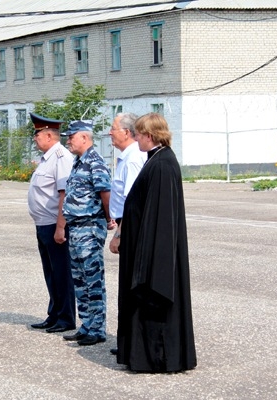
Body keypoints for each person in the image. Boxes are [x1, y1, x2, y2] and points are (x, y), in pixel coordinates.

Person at [116, 112, 197, 372]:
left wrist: (147, 261)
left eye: (138, 134)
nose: (136, 138)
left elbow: (159, 218)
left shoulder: (162, 165)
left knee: (152, 304)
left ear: (149, 136)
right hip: (142, 245)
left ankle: (156, 357)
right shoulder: (158, 159)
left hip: (151, 253)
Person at [60, 120, 114, 346]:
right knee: (80, 280)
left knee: (93, 280)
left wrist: (110, 218)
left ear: (84, 137)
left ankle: (98, 328)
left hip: (90, 228)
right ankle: (87, 324)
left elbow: (105, 193)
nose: (68, 141)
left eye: (71, 137)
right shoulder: (77, 162)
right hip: (76, 228)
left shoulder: (95, 162)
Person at [27, 113, 76, 333]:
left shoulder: (61, 157)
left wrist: (60, 226)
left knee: (61, 272)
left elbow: (64, 194)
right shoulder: (47, 158)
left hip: (54, 225)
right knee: (51, 272)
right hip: (43, 224)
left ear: (48, 134)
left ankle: (66, 318)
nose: (35, 138)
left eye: (37, 134)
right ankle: (54, 314)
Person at [107, 113, 146, 356]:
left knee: (131, 286)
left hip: (130, 228)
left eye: (113, 128)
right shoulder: (126, 157)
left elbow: (132, 201)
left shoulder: (133, 159)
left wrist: (119, 233)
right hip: (124, 224)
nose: (110, 133)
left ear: (127, 132)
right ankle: (127, 340)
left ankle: (131, 341)